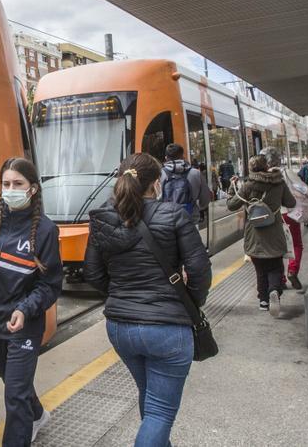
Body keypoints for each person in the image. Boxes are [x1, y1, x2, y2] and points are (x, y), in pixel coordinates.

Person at [83, 153, 211, 447]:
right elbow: (199, 270)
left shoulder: (101, 218)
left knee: (150, 397)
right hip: (168, 328)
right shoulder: (174, 214)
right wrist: (190, 303)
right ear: (156, 183)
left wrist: (121, 294)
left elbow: (93, 273)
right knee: (160, 411)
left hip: (120, 328)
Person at [0, 157, 62, 446]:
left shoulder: (45, 230)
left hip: (23, 322)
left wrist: (25, 308)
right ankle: (38, 416)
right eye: (6, 184)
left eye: (17, 184)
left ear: (32, 189)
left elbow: (51, 285)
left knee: (14, 395)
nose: (10, 189)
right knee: (13, 383)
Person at [229, 155, 296, 316]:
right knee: (275, 266)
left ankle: (264, 300)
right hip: (274, 232)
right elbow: (291, 203)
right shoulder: (278, 182)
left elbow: (231, 205)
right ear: (266, 166)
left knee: (260, 269)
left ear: (251, 169)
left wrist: (232, 186)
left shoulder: (247, 186)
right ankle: (274, 290)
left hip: (254, 234)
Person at [262, 147, 308, 291]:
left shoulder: (261, 175)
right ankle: (292, 270)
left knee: (276, 248)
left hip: (271, 216)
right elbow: (303, 189)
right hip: (288, 214)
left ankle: (280, 279)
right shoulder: (287, 173)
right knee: (296, 243)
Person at [160, 143, 211, 225]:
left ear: (166, 158)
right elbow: (205, 200)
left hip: (166, 223)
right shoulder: (196, 173)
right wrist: (194, 207)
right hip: (190, 222)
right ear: (183, 156)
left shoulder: (159, 174)